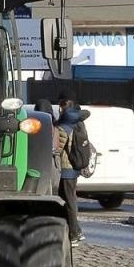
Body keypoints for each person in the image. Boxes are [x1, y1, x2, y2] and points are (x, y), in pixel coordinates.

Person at [54, 94, 90, 243]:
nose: (59, 111)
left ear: (64, 108)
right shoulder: (79, 123)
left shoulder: (64, 126)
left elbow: (57, 149)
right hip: (74, 168)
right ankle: (75, 231)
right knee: (70, 200)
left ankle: (75, 233)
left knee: (69, 202)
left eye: (60, 108)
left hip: (66, 169)